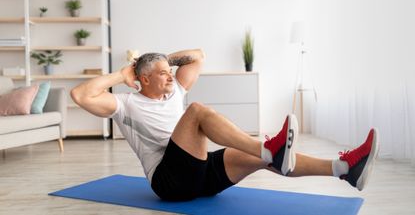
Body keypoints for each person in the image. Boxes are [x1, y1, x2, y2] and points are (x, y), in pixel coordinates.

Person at [71, 49, 379, 201]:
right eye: (162, 73)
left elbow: (197, 56)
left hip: (197, 172)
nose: (170, 76)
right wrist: (124, 75)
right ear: (144, 79)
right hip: (169, 181)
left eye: (169, 71)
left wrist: (163, 58)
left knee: (259, 159)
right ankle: (270, 149)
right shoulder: (126, 104)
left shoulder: (176, 88)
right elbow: (79, 94)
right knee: (197, 112)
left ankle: (344, 169)